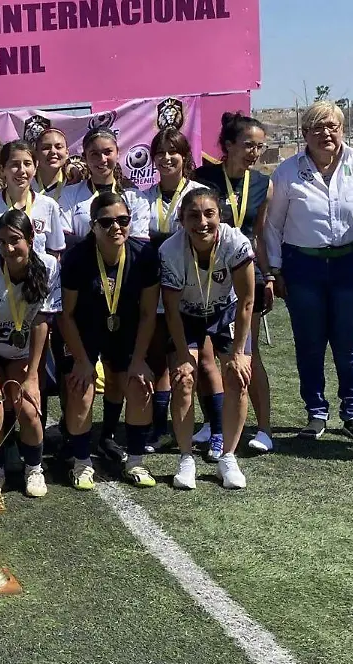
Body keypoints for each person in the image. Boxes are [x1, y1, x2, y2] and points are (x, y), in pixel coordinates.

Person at [266, 101, 353, 442]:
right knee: (309, 342)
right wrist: (275, 270)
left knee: (350, 342)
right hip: (302, 266)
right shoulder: (287, 171)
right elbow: (272, 226)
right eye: (317, 128)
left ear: (342, 129)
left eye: (332, 126)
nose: (326, 134)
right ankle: (316, 413)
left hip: (351, 264)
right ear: (305, 133)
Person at [57, 193, 162, 489]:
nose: (116, 227)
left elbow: (147, 314)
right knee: (81, 387)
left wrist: (140, 360)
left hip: (126, 327)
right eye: (107, 222)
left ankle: (136, 461)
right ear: (93, 226)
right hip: (84, 328)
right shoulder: (77, 258)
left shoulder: (144, 255)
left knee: (138, 384)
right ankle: (81, 462)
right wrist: (81, 361)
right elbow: (66, 315)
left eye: (123, 220)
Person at [160, 187, 255, 490]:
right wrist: (183, 356)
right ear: (181, 220)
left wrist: (239, 351)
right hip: (186, 315)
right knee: (184, 379)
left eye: (209, 214)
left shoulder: (235, 242)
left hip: (225, 311)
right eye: (193, 215)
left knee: (238, 377)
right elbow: (172, 311)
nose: (202, 222)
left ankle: (228, 456)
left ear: (220, 216)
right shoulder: (170, 251)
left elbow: (247, 301)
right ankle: (185, 457)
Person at [193, 113, 274, 452]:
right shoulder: (203, 178)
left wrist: (268, 276)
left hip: (245, 277)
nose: (254, 152)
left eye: (259, 146)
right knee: (207, 355)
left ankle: (265, 429)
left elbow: (261, 235)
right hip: (206, 275)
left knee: (245, 352)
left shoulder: (263, 184)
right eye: (248, 145)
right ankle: (213, 420)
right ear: (228, 146)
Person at [0, 210, 62, 498]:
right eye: (0, 242)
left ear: (31, 239)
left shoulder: (48, 265)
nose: (8, 249)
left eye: (14, 240)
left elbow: (41, 322)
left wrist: (33, 374)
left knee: (30, 409)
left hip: (23, 354)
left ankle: (34, 467)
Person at [136, 129, 208, 452]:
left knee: (200, 360)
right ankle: (158, 427)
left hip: (191, 289)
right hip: (153, 287)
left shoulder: (199, 193)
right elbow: (137, 240)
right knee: (158, 358)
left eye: (173, 151)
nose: (166, 158)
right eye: (160, 152)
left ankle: (214, 426)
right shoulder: (142, 196)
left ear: (185, 156)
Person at [0, 140, 66, 260]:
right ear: (2, 169)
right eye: (14, 164)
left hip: (35, 277)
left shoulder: (49, 206)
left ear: (35, 167)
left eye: (27, 164)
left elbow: (55, 254)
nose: (22, 170)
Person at [59, 127, 151, 247]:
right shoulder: (69, 194)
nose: (102, 159)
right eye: (94, 154)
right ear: (85, 157)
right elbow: (65, 240)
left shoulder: (135, 197)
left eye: (108, 152)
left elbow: (138, 244)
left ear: (118, 153)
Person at [33, 128, 71, 203]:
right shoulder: (26, 185)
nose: (53, 151)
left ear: (67, 153)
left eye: (58, 147)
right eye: (46, 148)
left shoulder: (74, 184)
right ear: (36, 153)